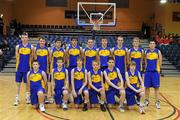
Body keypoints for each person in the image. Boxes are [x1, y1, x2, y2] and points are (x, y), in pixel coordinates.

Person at [14, 32, 34, 106]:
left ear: (27, 38)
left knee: (27, 84)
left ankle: (27, 97)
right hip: (19, 68)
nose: (24, 38)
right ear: (21, 38)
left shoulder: (31, 47)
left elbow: (32, 58)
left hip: (27, 68)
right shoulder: (17, 47)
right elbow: (17, 57)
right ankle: (17, 98)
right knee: (18, 84)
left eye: (25, 37)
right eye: (23, 37)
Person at [144, 40, 162, 109]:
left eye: (153, 43)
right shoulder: (146, 52)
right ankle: (147, 100)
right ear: (149, 45)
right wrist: (146, 69)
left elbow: (160, 61)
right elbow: (145, 61)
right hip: (148, 72)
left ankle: (157, 102)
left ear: (155, 45)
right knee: (147, 87)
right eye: (151, 43)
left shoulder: (158, 51)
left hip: (155, 72)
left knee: (156, 88)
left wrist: (158, 70)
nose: (152, 45)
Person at [34, 36, 50, 103]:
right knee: (37, 82)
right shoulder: (36, 49)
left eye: (43, 41)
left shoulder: (47, 49)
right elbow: (34, 59)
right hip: (38, 70)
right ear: (39, 42)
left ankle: (45, 96)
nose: (42, 42)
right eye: (41, 41)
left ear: (45, 42)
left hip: (45, 69)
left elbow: (49, 60)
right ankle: (37, 96)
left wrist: (48, 69)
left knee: (46, 83)